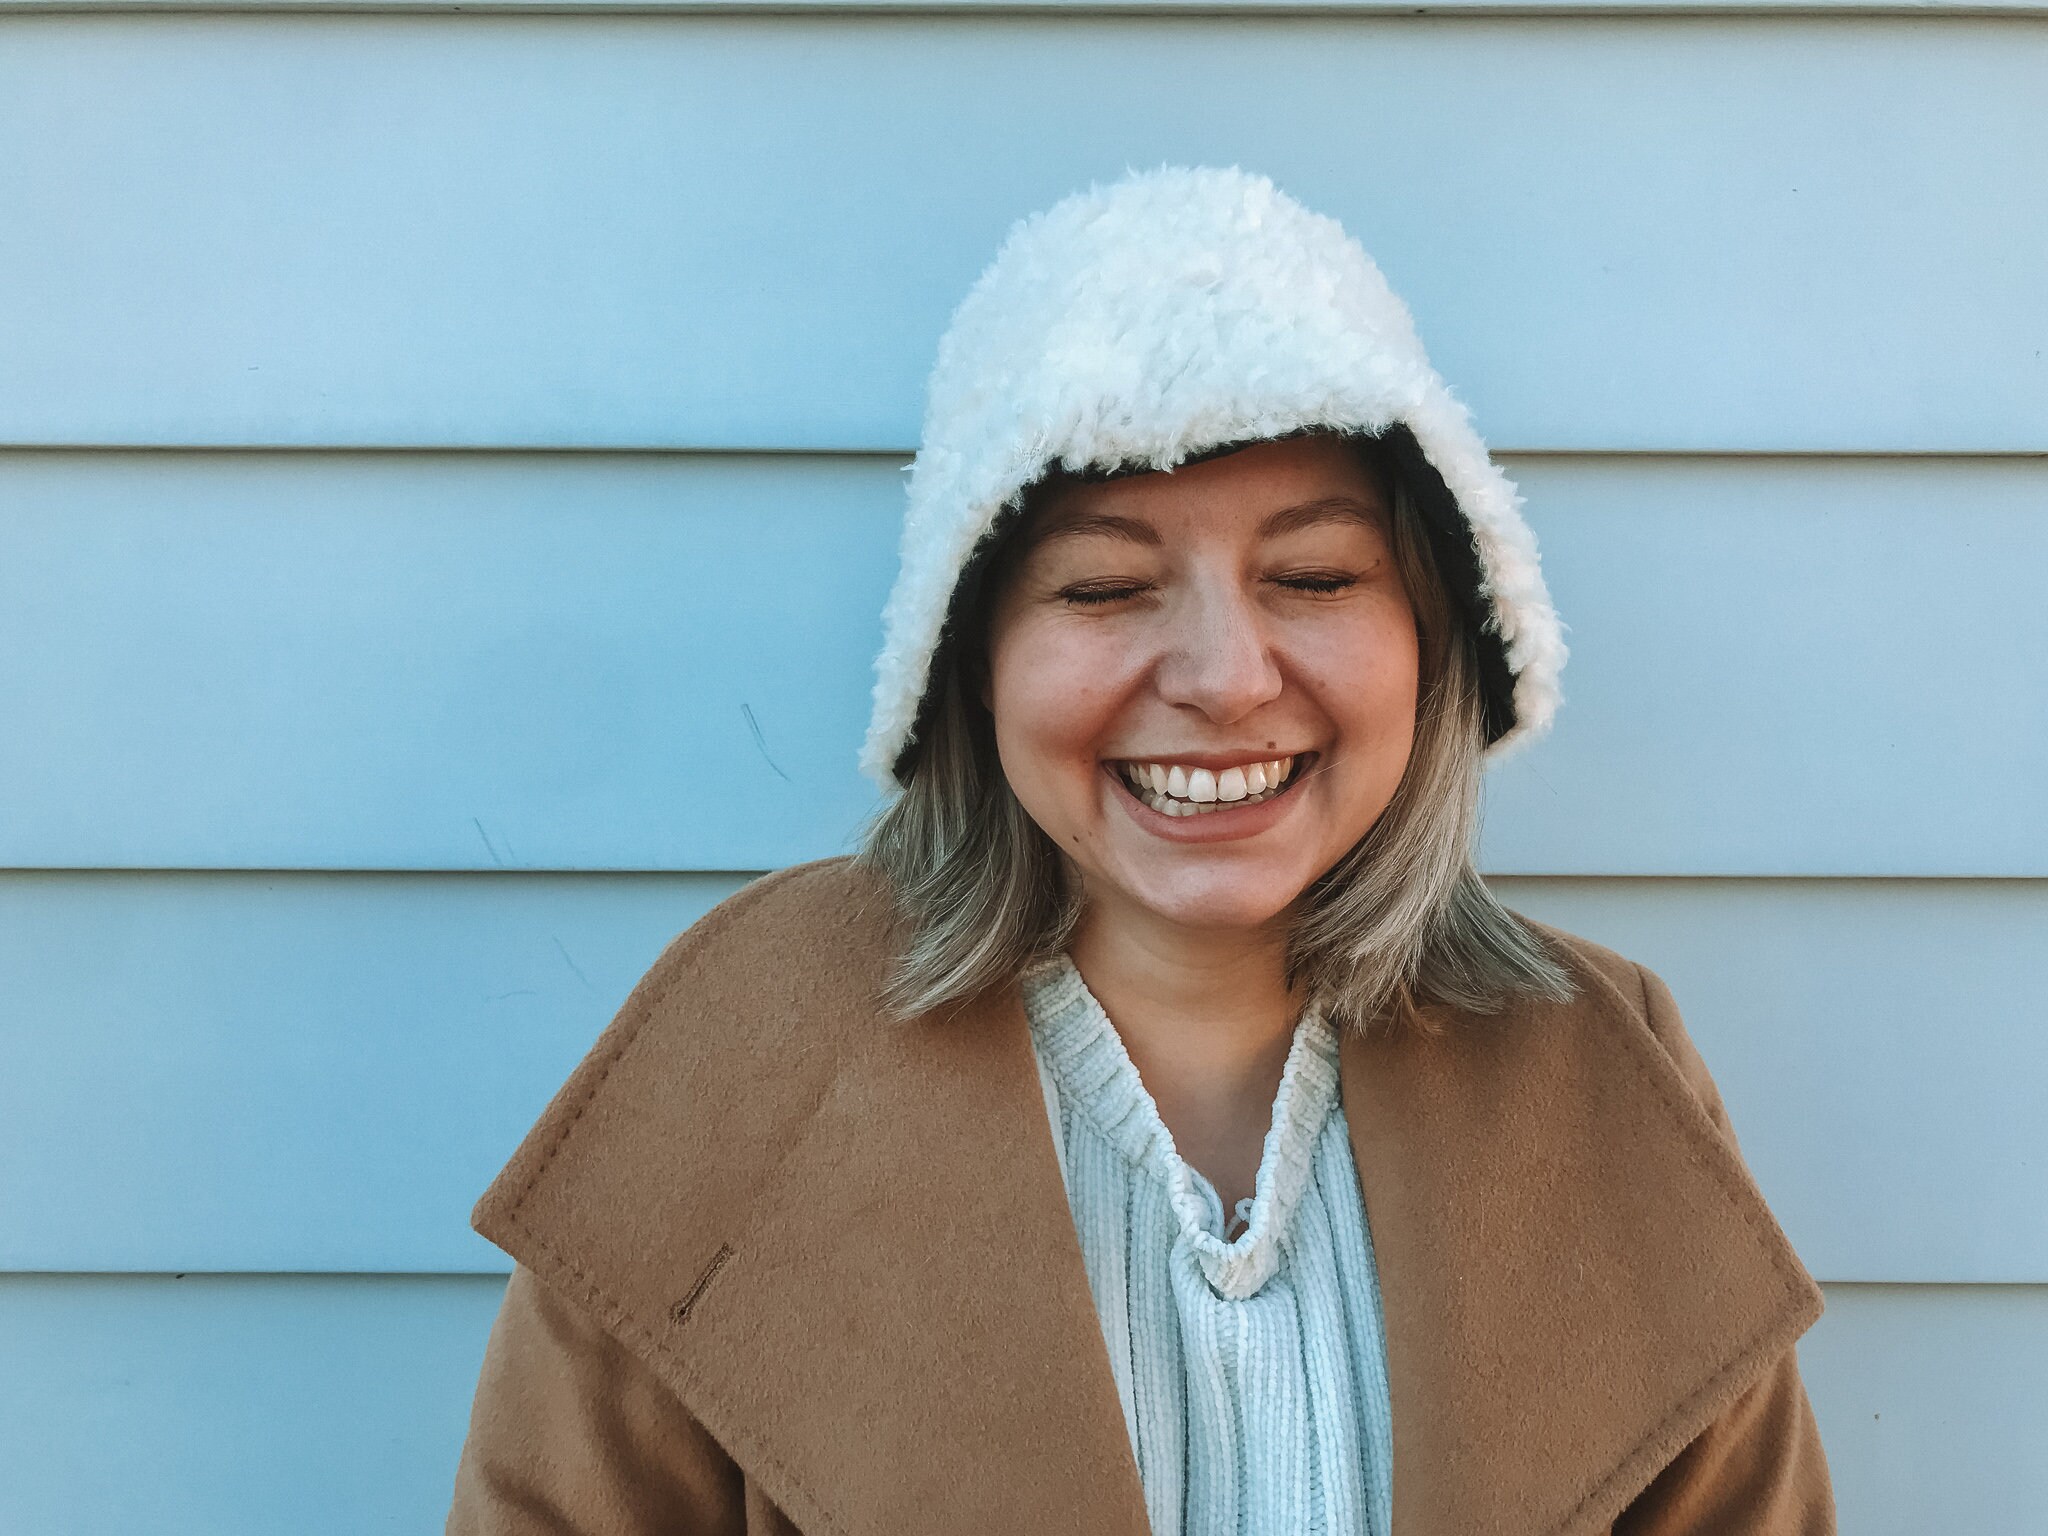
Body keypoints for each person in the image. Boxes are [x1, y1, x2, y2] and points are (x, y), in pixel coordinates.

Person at [445, 166, 1835, 1535]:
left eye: (1314, 576)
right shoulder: (741, 1054)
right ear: (969, 660)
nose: (1226, 679)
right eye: (1106, 587)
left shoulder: (1601, 1062)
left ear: (1435, 635)